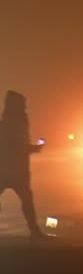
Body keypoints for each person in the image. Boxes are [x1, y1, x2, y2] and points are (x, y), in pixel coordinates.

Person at [0, 90, 47, 239]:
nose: (25, 107)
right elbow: (18, 146)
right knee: (27, 199)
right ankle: (34, 231)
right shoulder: (16, 123)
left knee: (27, 199)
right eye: (23, 104)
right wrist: (34, 148)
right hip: (15, 170)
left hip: (8, 169)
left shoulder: (8, 122)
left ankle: (35, 231)